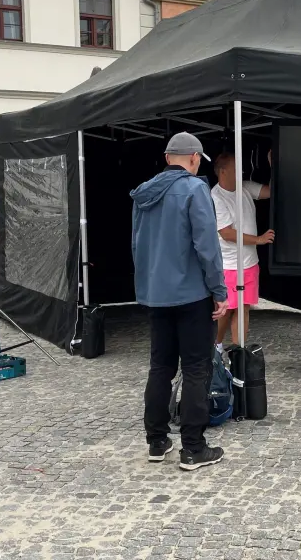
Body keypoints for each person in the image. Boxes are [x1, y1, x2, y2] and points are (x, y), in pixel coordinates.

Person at [131, 132, 229, 471]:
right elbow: (207, 246)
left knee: (160, 367)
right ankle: (193, 448)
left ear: (166, 157)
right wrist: (219, 290)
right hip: (191, 295)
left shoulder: (143, 193)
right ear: (194, 158)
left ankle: (157, 442)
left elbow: (137, 247)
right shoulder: (195, 189)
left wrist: (146, 287)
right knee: (196, 369)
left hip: (156, 295)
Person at [211, 151, 274, 348]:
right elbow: (227, 233)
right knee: (226, 309)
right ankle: (216, 347)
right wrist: (259, 240)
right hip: (228, 265)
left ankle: (240, 351)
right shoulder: (216, 196)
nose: (242, 171)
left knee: (243, 308)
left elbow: (271, 191)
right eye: (236, 168)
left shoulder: (245, 187)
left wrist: (274, 166)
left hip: (249, 262)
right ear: (223, 172)